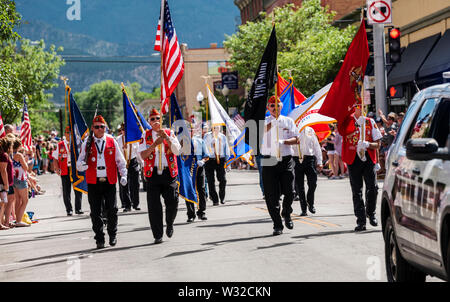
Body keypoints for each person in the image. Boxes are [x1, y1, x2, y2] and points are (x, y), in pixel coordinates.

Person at [77, 115, 128, 249]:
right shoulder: (87, 143)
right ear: (92, 128)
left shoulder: (112, 141)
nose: (100, 129)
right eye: (97, 127)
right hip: (93, 182)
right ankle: (99, 238)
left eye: (102, 127)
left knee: (112, 209)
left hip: (109, 180)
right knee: (95, 212)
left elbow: (120, 161)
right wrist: (83, 166)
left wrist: (124, 175)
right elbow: (79, 162)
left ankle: (112, 234)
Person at [138, 108, 181, 244]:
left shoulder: (170, 132)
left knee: (173, 201)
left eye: (158, 118)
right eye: (153, 119)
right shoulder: (146, 135)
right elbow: (143, 155)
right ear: (149, 122)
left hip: (169, 173)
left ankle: (169, 223)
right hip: (153, 174)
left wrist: (167, 138)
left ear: (161, 120)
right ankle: (157, 234)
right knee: (154, 206)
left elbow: (177, 151)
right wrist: (154, 145)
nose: (156, 121)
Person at [260, 96, 299, 236]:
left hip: (285, 158)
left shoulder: (288, 121)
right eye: (272, 106)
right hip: (269, 159)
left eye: (277, 105)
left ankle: (286, 212)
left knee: (290, 191)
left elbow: (297, 139)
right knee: (271, 195)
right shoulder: (264, 121)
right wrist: (273, 123)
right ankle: (277, 224)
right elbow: (260, 132)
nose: (275, 108)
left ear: (281, 107)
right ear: (268, 108)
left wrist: (284, 142)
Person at [340, 103, 382, 232]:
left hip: (368, 159)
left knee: (373, 187)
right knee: (357, 191)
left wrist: (368, 144)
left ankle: (371, 212)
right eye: (359, 106)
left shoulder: (370, 122)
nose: (362, 108)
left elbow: (378, 144)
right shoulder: (347, 122)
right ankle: (361, 220)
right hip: (354, 159)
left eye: (363, 106)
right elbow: (341, 131)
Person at [53, 126, 84, 216]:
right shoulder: (60, 145)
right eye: (67, 133)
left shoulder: (77, 144)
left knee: (78, 189)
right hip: (65, 169)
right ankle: (69, 209)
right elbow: (55, 157)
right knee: (66, 191)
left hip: (75, 170)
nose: (69, 135)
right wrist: (56, 168)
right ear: (65, 134)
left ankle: (78, 208)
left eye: (70, 133)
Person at [293, 126, 323, 216]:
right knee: (299, 186)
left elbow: (316, 146)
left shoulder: (310, 129)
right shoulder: (293, 128)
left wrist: (320, 161)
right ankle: (303, 208)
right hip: (296, 159)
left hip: (309, 159)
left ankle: (310, 201)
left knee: (313, 183)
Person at [116, 122, 142, 212]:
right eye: (122, 130)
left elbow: (138, 152)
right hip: (122, 163)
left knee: (135, 184)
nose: (124, 131)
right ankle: (127, 205)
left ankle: (136, 203)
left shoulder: (134, 139)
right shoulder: (118, 139)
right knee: (124, 184)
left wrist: (141, 163)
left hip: (133, 162)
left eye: (125, 130)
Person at [186, 122, 208, 222]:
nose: (190, 132)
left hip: (199, 168)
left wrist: (203, 161)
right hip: (188, 169)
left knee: (201, 189)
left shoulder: (200, 141)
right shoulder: (183, 142)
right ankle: (190, 214)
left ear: (194, 131)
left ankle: (201, 212)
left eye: (191, 130)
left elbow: (206, 155)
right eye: (188, 130)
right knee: (189, 190)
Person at [203, 125, 230, 206]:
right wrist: (212, 143)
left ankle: (222, 197)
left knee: (223, 180)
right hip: (209, 160)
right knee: (210, 181)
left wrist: (228, 163)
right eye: (214, 127)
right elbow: (204, 148)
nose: (216, 129)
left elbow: (226, 150)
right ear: (212, 127)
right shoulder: (207, 136)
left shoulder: (223, 137)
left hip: (220, 159)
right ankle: (215, 199)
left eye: (218, 127)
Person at [12, 139, 30, 227]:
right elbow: (26, 167)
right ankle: (19, 220)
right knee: (25, 200)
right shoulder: (19, 154)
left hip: (14, 178)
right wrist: (25, 160)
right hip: (21, 179)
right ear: (19, 146)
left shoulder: (10, 154)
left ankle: (17, 219)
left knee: (18, 200)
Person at [0, 137, 13, 229]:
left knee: (3, 203)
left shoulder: (5, 155)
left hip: (3, 183)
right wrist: (6, 184)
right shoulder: (4, 155)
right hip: (2, 183)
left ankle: (1, 222)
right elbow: (3, 170)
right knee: (2, 203)